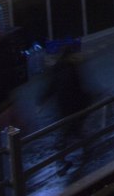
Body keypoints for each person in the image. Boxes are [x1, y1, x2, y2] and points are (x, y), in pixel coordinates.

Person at [39, 42, 94, 174]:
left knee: (71, 130)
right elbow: (77, 87)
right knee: (72, 130)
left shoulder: (58, 67)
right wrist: (88, 97)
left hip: (63, 106)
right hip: (72, 106)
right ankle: (66, 157)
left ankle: (66, 157)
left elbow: (51, 86)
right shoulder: (71, 68)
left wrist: (42, 100)